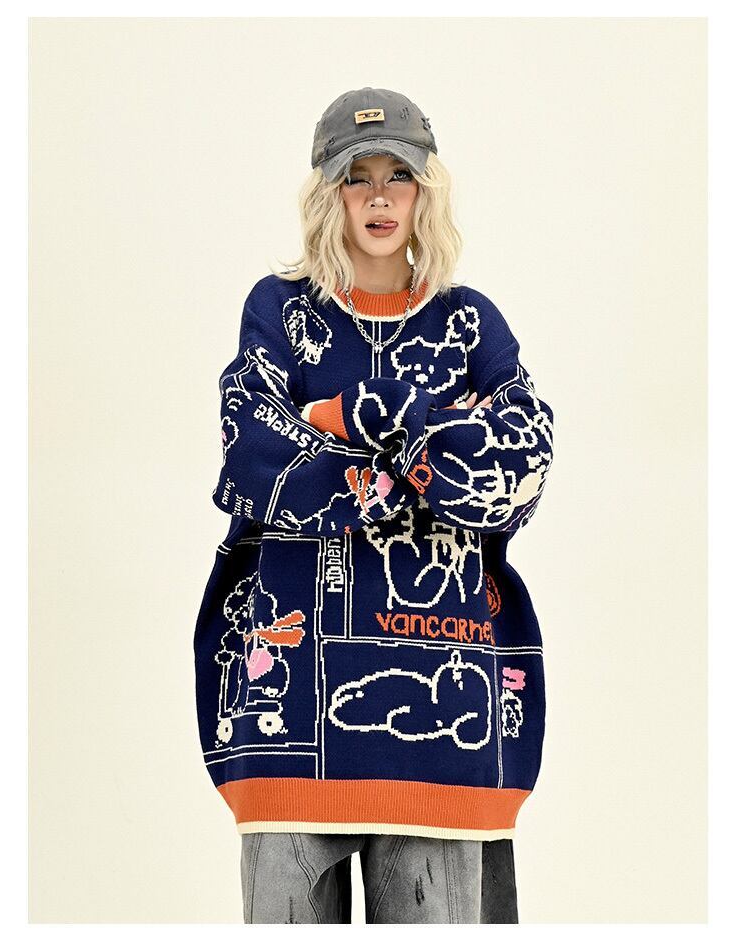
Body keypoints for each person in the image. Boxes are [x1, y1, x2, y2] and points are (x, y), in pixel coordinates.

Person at [193, 87, 555, 924]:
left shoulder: (470, 322)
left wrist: (339, 417)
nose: (381, 196)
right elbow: (253, 453)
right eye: (358, 176)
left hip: (444, 702)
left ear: (427, 190)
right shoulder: (279, 310)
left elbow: (523, 464)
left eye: (400, 175)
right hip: (291, 709)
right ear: (330, 191)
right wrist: (433, 445)